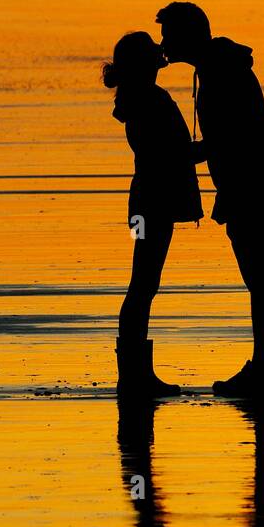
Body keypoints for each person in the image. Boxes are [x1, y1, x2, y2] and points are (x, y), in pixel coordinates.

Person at [156, 2, 264, 399]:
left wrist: (182, 155)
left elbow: (232, 138)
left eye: (169, 35)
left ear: (187, 36)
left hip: (257, 181)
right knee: (263, 278)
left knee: (263, 277)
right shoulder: (214, 67)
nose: (164, 43)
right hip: (252, 181)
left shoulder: (221, 71)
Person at [103, 31, 203, 397]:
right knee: (143, 286)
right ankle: (134, 377)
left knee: (143, 285)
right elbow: (176, 153)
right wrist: (220, 145)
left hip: (146, 200)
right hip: (153, 202)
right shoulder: (151, 100)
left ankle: (135, 374)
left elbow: (171, 152)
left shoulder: (136, 99)